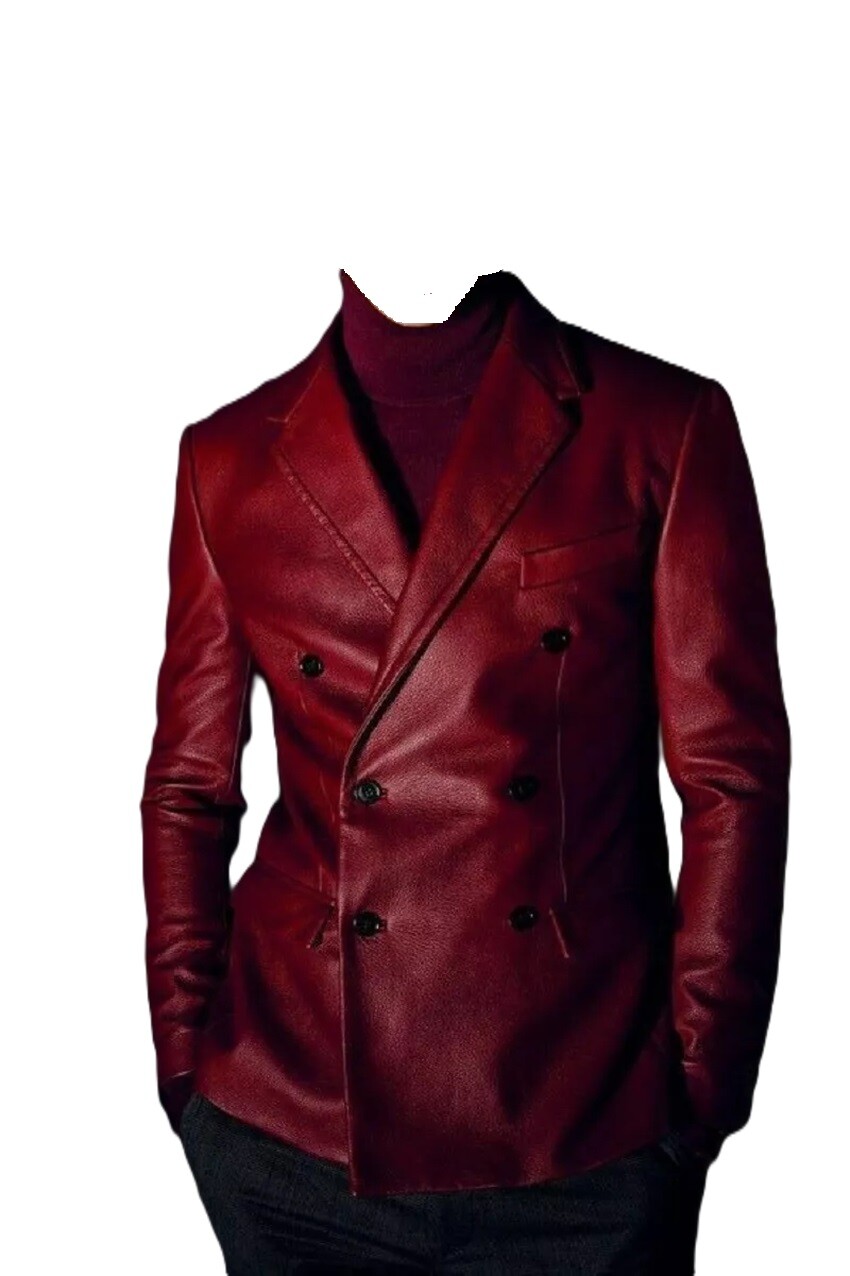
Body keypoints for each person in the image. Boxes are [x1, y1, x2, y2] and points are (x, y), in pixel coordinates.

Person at [141, 267, 791, 1273]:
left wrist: (703, 1080)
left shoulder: (658, 424)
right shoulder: (226, 458)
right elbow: (188, 787)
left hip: (583, 1127)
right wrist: (186, 1063)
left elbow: (731, 775)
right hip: (295, 1123)